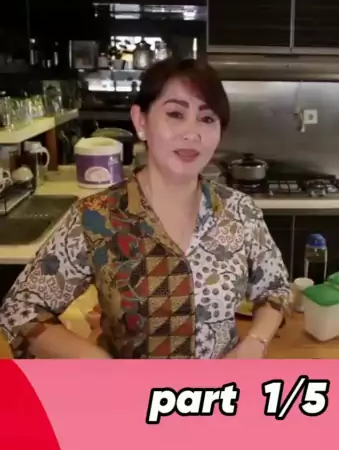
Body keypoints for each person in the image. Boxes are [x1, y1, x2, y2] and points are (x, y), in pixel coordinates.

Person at [0, 59, 292, 359]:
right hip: (130, 389)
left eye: (207, 119)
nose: (192, 133)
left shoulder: (239, 211)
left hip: (219, 388)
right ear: (141, 121)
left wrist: (255, 342)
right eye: (175, 114)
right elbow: (21, 308)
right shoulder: (98, 216)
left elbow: (276, 288)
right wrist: (99, 365)